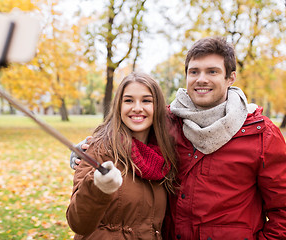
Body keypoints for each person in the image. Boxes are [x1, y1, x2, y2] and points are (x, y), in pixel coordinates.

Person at [71, 36, 286, 239]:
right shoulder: (168, 123)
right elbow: (127, 131)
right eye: (194, 72)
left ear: (230, 77)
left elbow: (282, 210)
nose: (201, 79)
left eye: (212, 71)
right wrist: (86, 150)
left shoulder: (260, 134)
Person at [66, 72, 178, 239]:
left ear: (157, 106)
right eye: (129, 100)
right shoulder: (100, 148)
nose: (137, 107)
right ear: (119, 106)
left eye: (146, 100)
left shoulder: (163, 155)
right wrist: (98, 187)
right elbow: (78, 222)